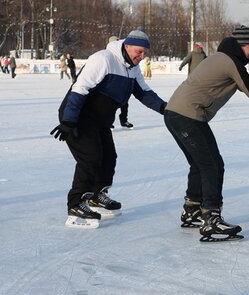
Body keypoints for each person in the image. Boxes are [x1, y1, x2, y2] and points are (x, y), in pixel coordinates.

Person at [163, 25, 249, 242]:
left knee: (200, 164)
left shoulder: (219, 58)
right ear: (239, 46)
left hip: (176, 113)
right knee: (212, 165)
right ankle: (211, 218)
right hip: (188, 116)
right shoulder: (229, 61)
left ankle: (193, 210)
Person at [52, 28, 166, 229]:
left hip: (100, 121)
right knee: (90, 158)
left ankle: (97, 196)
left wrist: (166, 109)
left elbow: (144, 93)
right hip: (79, 117)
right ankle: (77, 204)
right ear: (127, 46)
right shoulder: (103, 59)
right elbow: (80, 88)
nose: (141, 56)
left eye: (144, 53)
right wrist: (69, 120)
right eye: (138, 52)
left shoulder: (133, 68)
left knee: (109, 156)